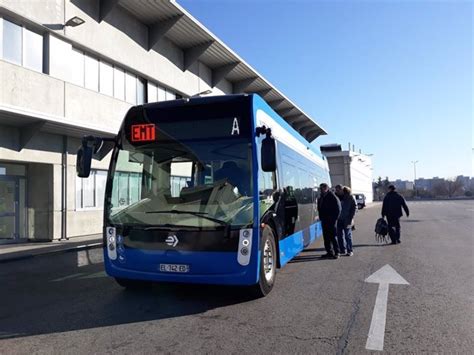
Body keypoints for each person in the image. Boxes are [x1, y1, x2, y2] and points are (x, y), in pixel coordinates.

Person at [317, 183, 341, 259]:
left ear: (326, 188)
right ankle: (329, 252)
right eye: (320, 189)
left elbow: (338, 209)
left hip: (331, 221)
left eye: (322, 188)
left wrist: (334, 219)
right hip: (324, 220)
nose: (320, 190)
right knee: (326, 237)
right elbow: (320, 208)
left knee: (333, 237)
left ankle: (337, 252)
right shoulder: (321, 197)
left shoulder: (332, 196)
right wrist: (321, 217)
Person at [336, 186, 357, 256]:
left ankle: (350, 250)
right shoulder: (336, 197)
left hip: (347, 219)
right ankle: (342, 250)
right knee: (339, 235)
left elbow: (354, 208)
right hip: (339, 219)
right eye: (337, 190)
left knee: (347, 235)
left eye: (339, 190)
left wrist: (351, 218)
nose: (338, 191)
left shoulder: (350, 197)